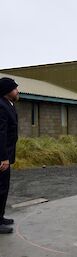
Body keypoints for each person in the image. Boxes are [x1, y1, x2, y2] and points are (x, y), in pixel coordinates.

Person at [0, 77, 19, 234]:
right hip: (2, 157)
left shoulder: (9, 104)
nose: (17, 90)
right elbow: (1, 134)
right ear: (7, 91)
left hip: (6, 154)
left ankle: (0, 217)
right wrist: (3, 157)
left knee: (4, 188)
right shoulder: (1, 106)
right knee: (0, 188)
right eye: (15, 88)